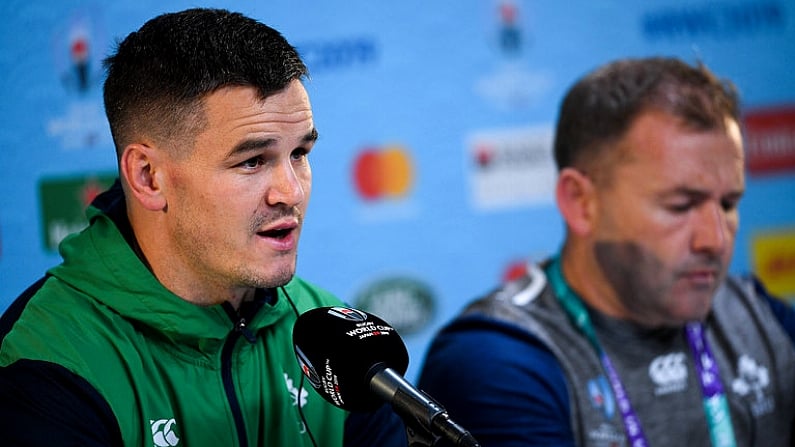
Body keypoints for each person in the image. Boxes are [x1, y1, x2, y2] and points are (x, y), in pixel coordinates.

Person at [0, 8, 407, 447]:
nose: (290, 192)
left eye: (300, 153)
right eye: (252, 161)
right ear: (148, 177)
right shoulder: (49, 356)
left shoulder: (333, 340)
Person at [417, 57, 795, 446]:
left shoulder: (760, 319)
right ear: (582, 202)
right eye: (681, 206)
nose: (714, 239)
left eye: (729, 204)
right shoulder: (496, 358)